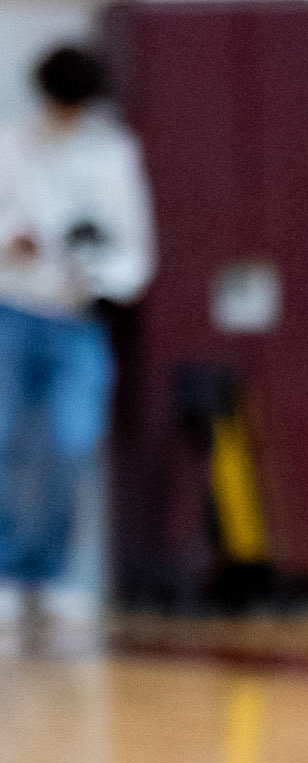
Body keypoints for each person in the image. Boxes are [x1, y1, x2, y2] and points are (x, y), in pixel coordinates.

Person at [0, 45, 154, 647]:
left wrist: (96, 269)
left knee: (71, 444)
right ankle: (7, 573)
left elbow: (135, 254)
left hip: (78, 319)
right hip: (12, 310)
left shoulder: (113, 155)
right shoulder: (10, 146)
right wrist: (13, 241)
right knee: (5, 442)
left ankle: (50, 573)